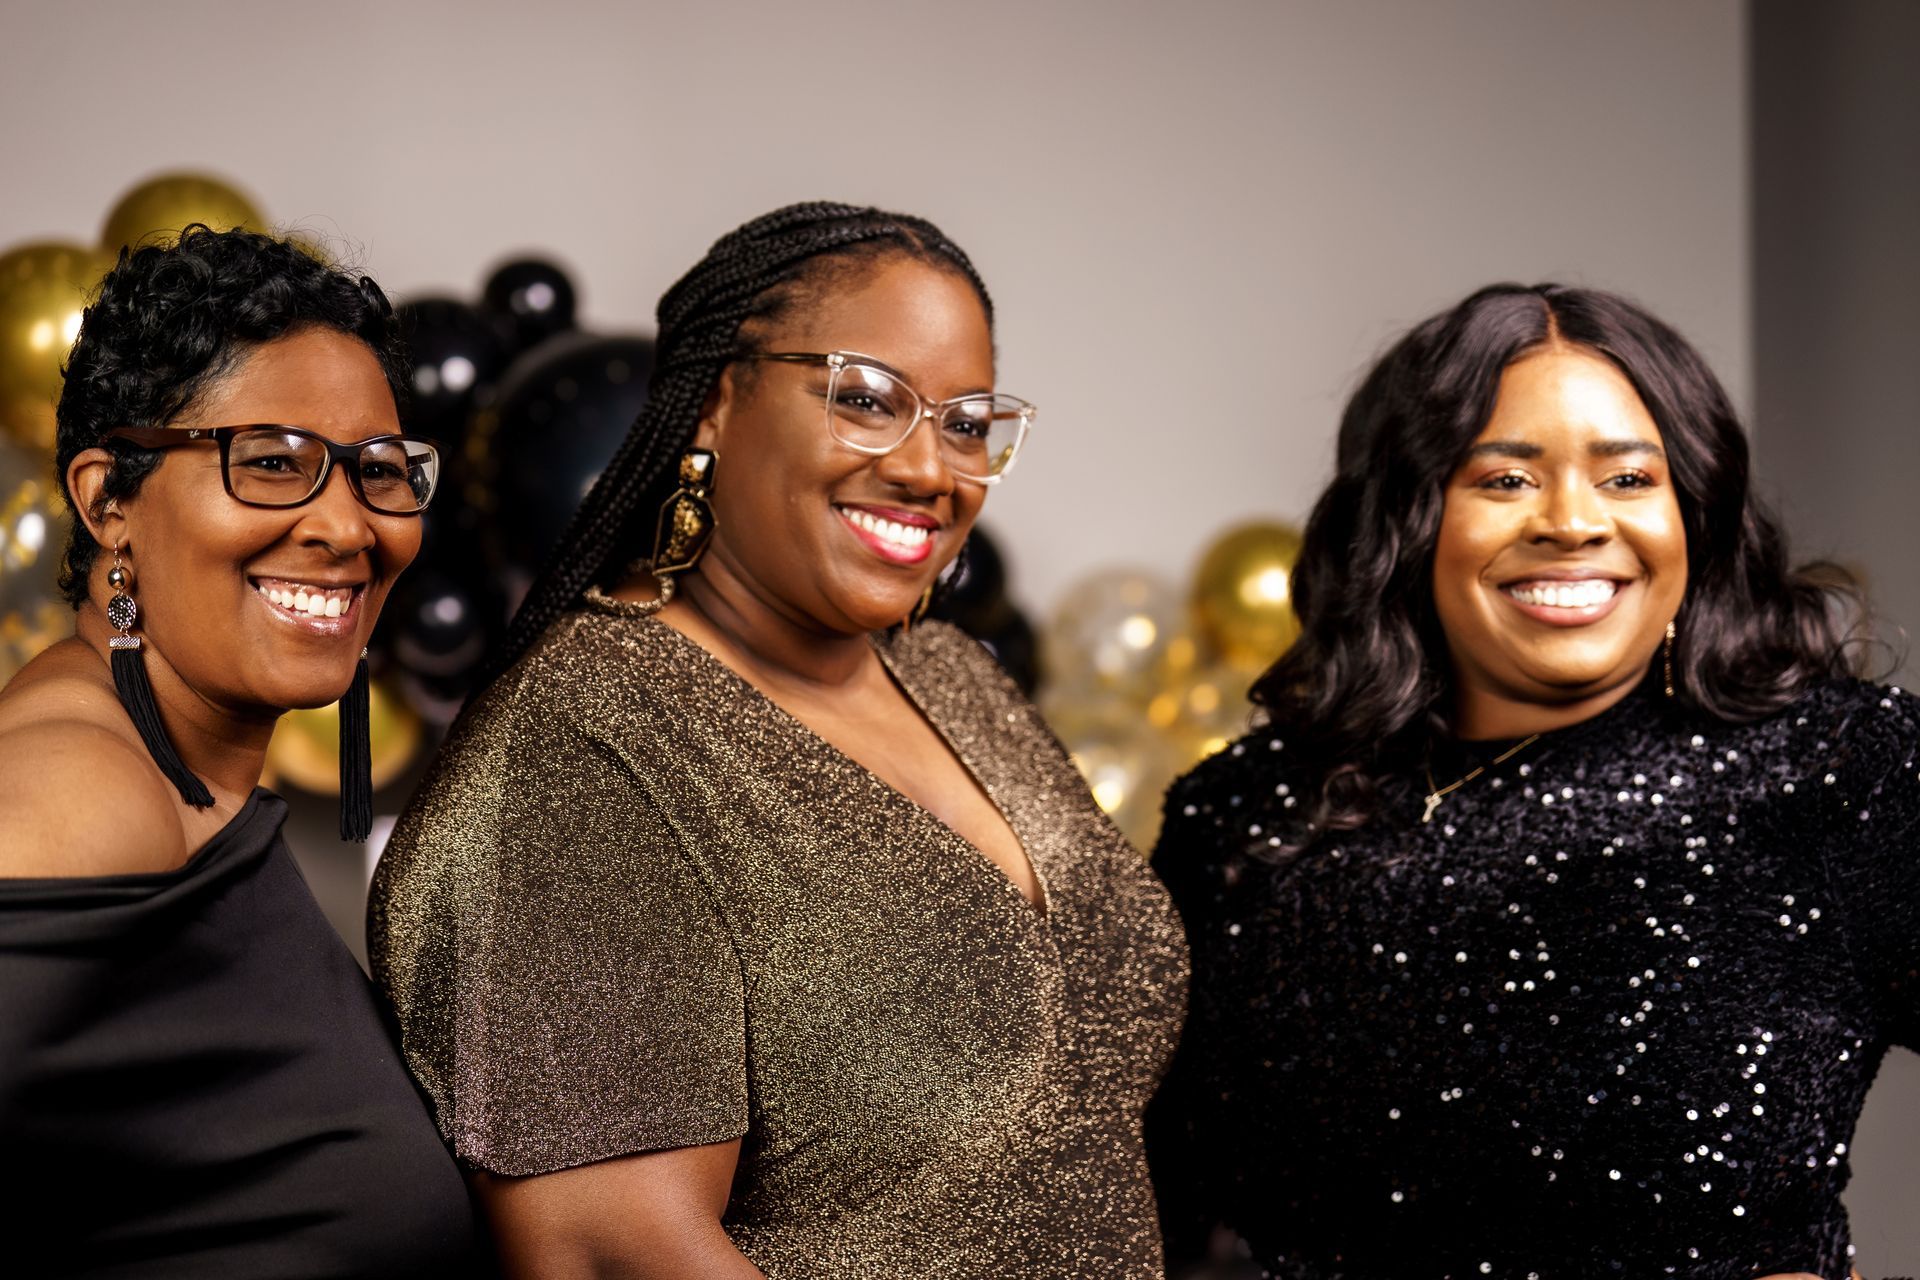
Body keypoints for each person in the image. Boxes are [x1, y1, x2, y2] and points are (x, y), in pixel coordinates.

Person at [370, 202, 1188, 1279]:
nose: (931, 470)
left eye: (967, 422)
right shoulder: (586, 739)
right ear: (717, 403)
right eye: (866, 399)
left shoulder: (947, 673)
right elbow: (613, 1249)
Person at [1148, 283, 1914, 1280]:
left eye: (1630, 478)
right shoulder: (1244, 814)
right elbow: (1149, 1203)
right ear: (1407, 520)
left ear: (1696, 514)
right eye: (1506, 480)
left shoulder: (1832, 770)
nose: (1573, 523)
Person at [0, 226, 484, 1277]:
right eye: (272, 463)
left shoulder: (187, 784)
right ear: (106, 500)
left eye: (381, 472)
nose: (350, 525)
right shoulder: (78, 791)